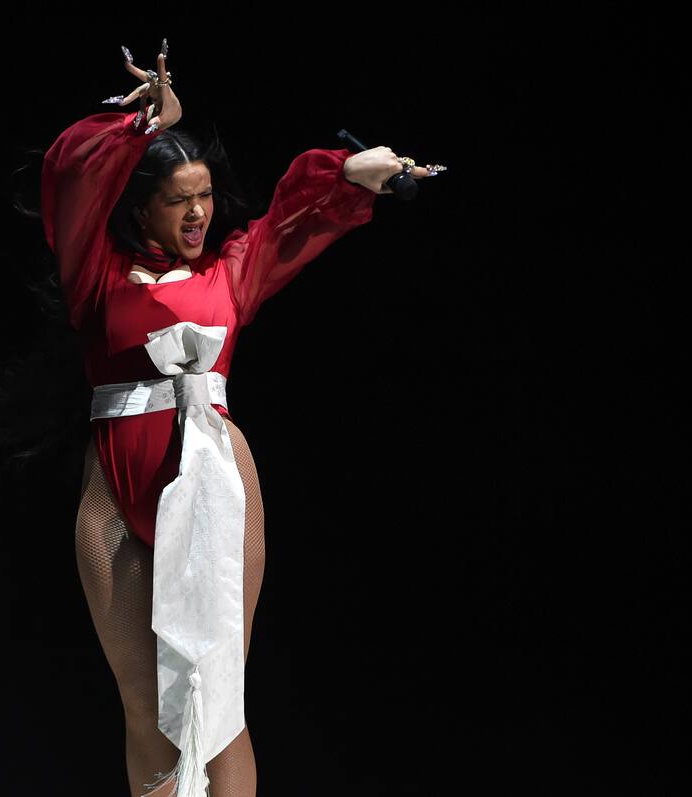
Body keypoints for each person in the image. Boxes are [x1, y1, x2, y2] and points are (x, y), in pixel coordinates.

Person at [40, 40, 437, 797]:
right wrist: (142, 129)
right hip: (116, 490)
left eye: (206, 195)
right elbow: (69, 175)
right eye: (177, 198)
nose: (199, 212)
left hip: (217, 477)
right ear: (140, 206)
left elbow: (292, 216)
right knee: (143, 706)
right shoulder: (95, 273)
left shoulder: (230, 269)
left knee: (218, 701)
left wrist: (355, 172)